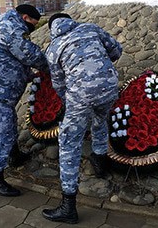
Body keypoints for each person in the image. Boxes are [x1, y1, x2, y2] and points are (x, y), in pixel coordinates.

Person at [42, 13, 123, 224]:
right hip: (110, 87)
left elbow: (59, 84)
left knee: (69, 143)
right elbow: (116, 50)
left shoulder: (53, 49)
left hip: (81, 94)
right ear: (71, 20)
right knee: (100, 121)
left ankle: (68, 206)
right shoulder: (91, 28)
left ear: (52, 28)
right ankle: (100, 162)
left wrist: (71, 102)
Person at [0, 4, 49, 197]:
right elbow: (31, 55)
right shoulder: (13, 29)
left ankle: (14, 156)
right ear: (24, 17)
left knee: (8, 123)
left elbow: (13, 60)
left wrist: (27, 76)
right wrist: (50, 67)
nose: (33, 28)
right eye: (33, 23)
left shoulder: (7, 25)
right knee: (0, 133)